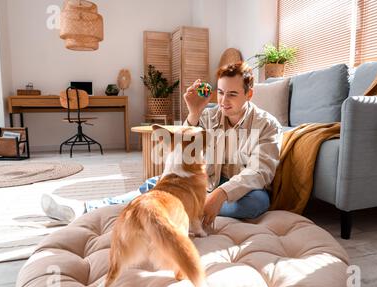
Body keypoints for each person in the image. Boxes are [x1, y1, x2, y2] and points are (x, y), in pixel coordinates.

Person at [42, 62, 282, 227]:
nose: (223, 101)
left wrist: (221, 194)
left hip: (242, 192)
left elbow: (260, 171)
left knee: (258, 203)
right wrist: (194, 113)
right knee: (158, 183)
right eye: (220, 93)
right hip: (206, 184)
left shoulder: (267, 125)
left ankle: (184, 205)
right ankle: (86, 209)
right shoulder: (209, 116)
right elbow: (182, 157)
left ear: (249, 95)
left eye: (232, 94)